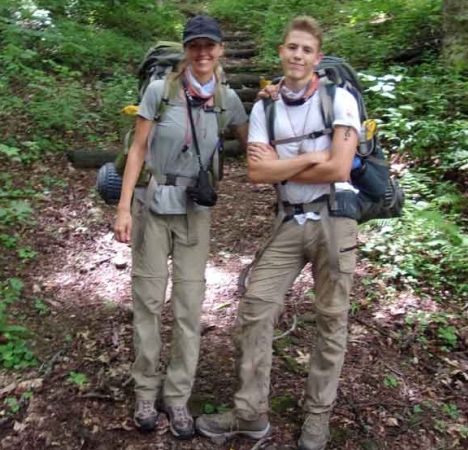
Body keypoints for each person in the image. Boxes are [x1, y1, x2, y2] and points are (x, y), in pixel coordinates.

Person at [195, 16, 361, 450]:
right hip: (288, 219)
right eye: (291, 47)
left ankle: (318, 417)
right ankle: (250, 414)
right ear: (281, 52)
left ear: (317, 58)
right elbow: (255, 172)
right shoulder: (265, 107)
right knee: (255, 309)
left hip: (335, 218)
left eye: (306, 50)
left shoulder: (340, 99)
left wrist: (283, 164)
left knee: (331, 320)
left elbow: (341, 168)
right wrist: (313, 157)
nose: (298, 55)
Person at [113, 14, 248, 441]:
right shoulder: (159, 92)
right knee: (148, 302)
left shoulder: (228, 101)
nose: (203, 52)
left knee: (189, 308)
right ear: (186, 51)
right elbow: (137, 151)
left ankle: (178, 398)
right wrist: (122, 208)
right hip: (152, 205)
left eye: (210, 45)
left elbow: (258, 149)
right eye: (195, 46)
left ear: (221, 50)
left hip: (194, 213)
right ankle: (146, 392)